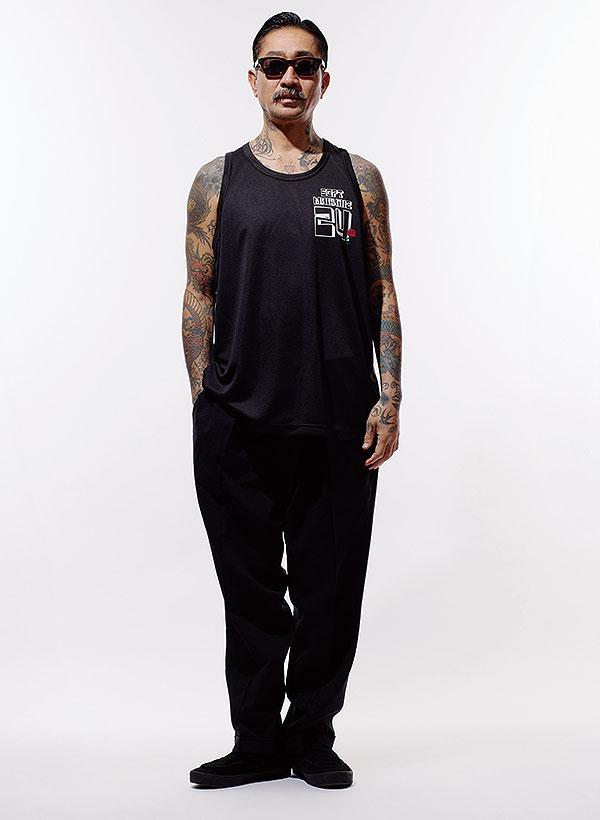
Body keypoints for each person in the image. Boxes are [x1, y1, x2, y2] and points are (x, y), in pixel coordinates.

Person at [181, 11, 402, 790]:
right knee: (249, 595)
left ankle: (311, 735)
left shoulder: (356, 178)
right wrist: (205, 396)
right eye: (274, 65)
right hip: (236, 424)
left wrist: (389, 395)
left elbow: (381, 287)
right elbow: (198, 291)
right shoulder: (217, 180)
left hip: (337, 422)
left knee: (328, 592)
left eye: (304, 65)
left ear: (323, 81)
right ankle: (255, 742)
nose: (289, 78)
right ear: (253, 79)